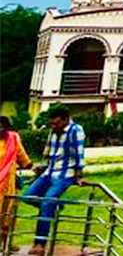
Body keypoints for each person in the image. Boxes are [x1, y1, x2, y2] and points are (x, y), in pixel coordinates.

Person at [21, 105, 85, 256]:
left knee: (47, 202)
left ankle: (40, 243)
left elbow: (79, 154)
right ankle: (56, 205)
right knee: (28, 196)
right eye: (52, 124)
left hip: (65, 174)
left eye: (56, 123)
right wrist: (41, 168)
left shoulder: (76, 131)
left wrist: (78, 175)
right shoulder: (53, 131)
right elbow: (48, 152)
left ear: (66, 119)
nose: (53, 126)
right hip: (50, 171)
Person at [0, 116, 33, 247]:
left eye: (2, 126)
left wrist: (32, 166)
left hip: (8, 185)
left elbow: (22, 157)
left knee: (8, 216)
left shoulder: (13, 139)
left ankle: (7, 244)